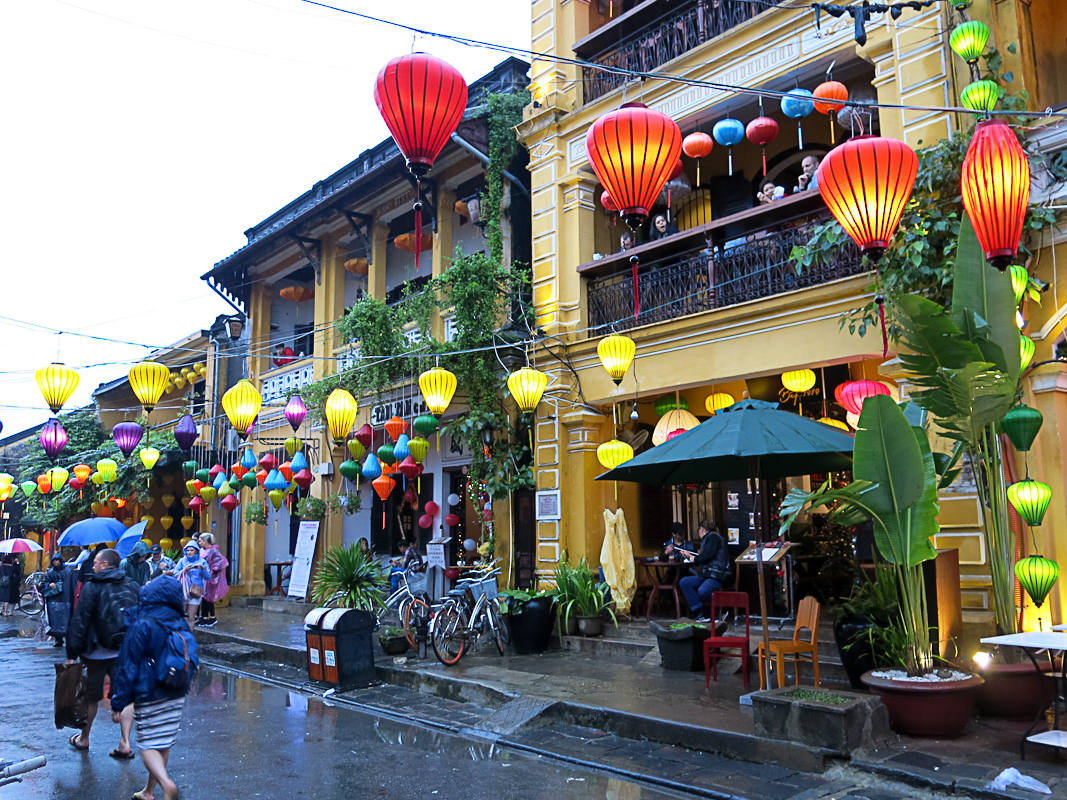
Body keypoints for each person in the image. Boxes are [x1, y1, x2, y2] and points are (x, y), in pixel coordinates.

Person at [110, 577, 194, 800]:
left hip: (150, 692)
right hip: (176, 690)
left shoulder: (142, 624)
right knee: (163, 743)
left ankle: (167, 785)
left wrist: (119, 701)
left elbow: (128, 665)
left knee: (148, 745)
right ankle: (149, 791)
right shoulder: (181, 622)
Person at [64, 548, 140, 758]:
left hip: (95, 652)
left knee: (91, 698)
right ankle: (125, 743)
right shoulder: (133, 585)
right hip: (125, 650)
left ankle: (84, 738)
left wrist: (72, 653)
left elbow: (81, 620)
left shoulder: (92, 587)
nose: (94, 566)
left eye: (96, 562)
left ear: (105, 565)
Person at [678, 521, 732, 622]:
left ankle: (719, 611)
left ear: (702, 529)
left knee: (704, 590)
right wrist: (691, 557)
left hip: (716, 575)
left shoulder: (713, 537)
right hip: (707, 574)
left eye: (699, 530)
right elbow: (706, 556)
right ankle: (700, 611)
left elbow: (708, 555)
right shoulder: (711, 538)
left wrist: (692, 558)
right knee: (685, 582)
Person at [44, 553, 75, 647]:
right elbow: (43, 584)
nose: (56, 562)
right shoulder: (50, 573)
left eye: (57, 560)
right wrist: (49, 585)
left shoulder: (68, 572)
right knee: (55, 622)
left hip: (66, 599)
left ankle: (68, 638)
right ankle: (58, 639)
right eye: (54, 561)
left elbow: (73, 585)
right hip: (53, 601)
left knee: (67, 621)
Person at [197, 533, 228, 627]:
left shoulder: (213, 550)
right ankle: (204, 617)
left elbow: (219, 562)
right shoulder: (202, 550)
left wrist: (212, 571)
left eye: (200, 540)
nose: (199, 542)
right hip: (203, 577)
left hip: (210, 577)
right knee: (203, 597)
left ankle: (212, 617)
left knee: (209, 597)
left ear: (205, 541)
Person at [175, 543, 209, 630]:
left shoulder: (203, 562)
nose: (189, 552)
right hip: (183, 590)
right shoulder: (182, 561)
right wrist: (184, 570)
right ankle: (181, 636)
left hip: (196, 591)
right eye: (188, 550)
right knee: (181, 616)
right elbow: (175, 575)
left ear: (196, 551)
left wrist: (203, 570)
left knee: (191, 617)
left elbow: (208, 577)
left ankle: (190, 638)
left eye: (192, 550)